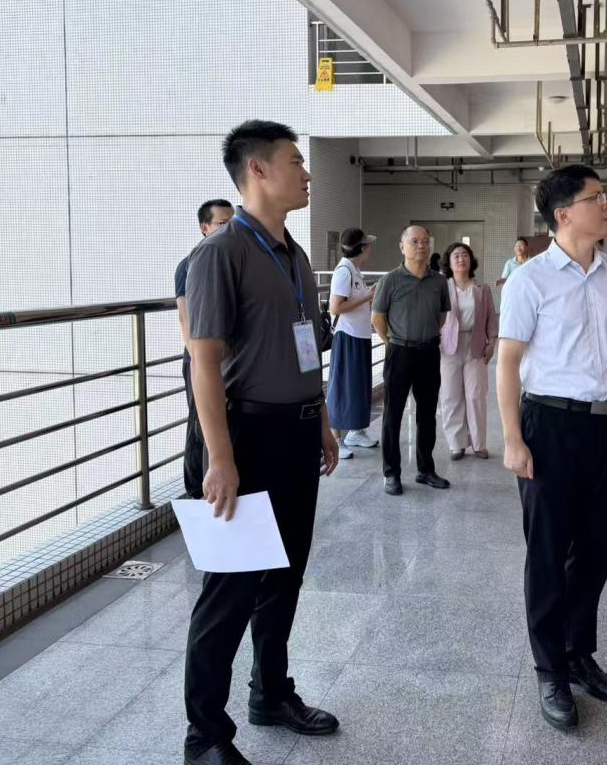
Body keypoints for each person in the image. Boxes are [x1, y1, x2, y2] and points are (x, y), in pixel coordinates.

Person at [183, 120, 341, 765]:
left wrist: (321, 420)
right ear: (257, 170)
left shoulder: (293, 254)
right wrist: (220, 458)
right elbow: (203, 361)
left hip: (296, 433)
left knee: (285, 577)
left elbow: (304, 349)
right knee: (229, 591)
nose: (307, 174)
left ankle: (270, 693)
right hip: (245, 437)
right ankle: (205, 737)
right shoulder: (222, 253)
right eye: (296, 162)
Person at [496, 164, 607, 731]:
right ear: (563, 215)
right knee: (547, 553)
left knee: (597, 550)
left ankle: (578, 652)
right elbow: (507, 363)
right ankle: (549, 669)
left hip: (605, 427)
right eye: (596, 198)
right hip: (549, 427)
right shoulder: (530, 280)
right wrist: (512, 438)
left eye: (606, 196)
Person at [371, 225, 452, 495]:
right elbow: (377, 318)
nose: (421, 246)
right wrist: (391, 341)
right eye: (414, 241)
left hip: (429, 351)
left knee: (427, 414)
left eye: (425, 241)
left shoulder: (439, 281)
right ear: (402, 246)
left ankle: (425, 469)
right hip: (399, 352)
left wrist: (425, 336)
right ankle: (391, 473)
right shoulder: (390, 280)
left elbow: (441, 316)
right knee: (392, 414)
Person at [175, 198, 233, 497]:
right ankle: (199, 491)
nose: (230, 228)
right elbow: (186, 322)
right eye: (223, 223)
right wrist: (205, 364)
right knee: (201, 423)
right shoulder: (191, 264)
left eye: (233, 222)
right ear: (204, 227)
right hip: (203, 361)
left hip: (228, 360)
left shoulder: (232, 259)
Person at [438, 242, 498, 460]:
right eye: (456, 256)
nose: (461, 259)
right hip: (448, 346)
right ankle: (456, 444)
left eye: (464, 255)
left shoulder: (482, 289)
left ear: (471, 260)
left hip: (476, 344)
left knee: (475, 395)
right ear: (449, 261)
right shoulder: (442, 288)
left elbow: (491, 317)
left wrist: (492, 342)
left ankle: (479, 444)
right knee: (451, 395)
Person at [327, 227, 380, 459]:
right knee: (342, 387)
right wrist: (368, 296)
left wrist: (367, 296)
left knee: (358, 386)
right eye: (367, 243)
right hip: (347, 337)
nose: (370, 247)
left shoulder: (354, 270)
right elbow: (335, 307)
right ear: (361, 248)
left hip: (360, 336)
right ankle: (336, 440)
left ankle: (355, 432)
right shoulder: (344, 271)